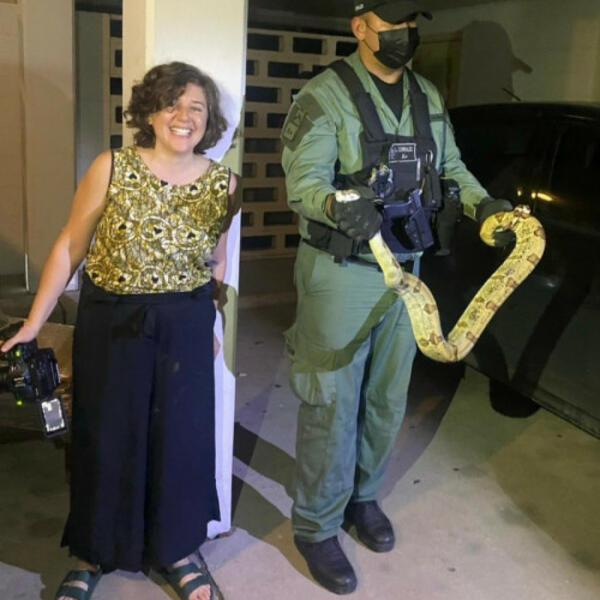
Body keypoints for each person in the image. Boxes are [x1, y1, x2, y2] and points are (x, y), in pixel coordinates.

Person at [280, 1, 512, 594]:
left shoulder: (426, 96)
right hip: (343, 271)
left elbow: (451, 167)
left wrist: (485, 206)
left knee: (387, 396)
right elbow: (304, 183)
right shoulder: (324, 95)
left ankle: (362, 497)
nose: (405, 35)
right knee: (332, 400)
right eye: (392, 25)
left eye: (411, 24)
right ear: (360, 27)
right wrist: (338, 204)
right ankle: (316, 524)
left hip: (409, 268)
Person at [0, 62, 237, 600]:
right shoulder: (112, 166)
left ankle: (178, 550)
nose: (183, 116)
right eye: (171, 103)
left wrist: (212, 321)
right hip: (112, 322)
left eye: (196, 107)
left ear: (209, 120)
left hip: (185, 324)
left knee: (181, 440)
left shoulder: (224, 182)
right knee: (106, 438)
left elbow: (216, 260)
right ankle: (93, 551)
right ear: (149, 112)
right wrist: (34, 323)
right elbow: (70, 246)